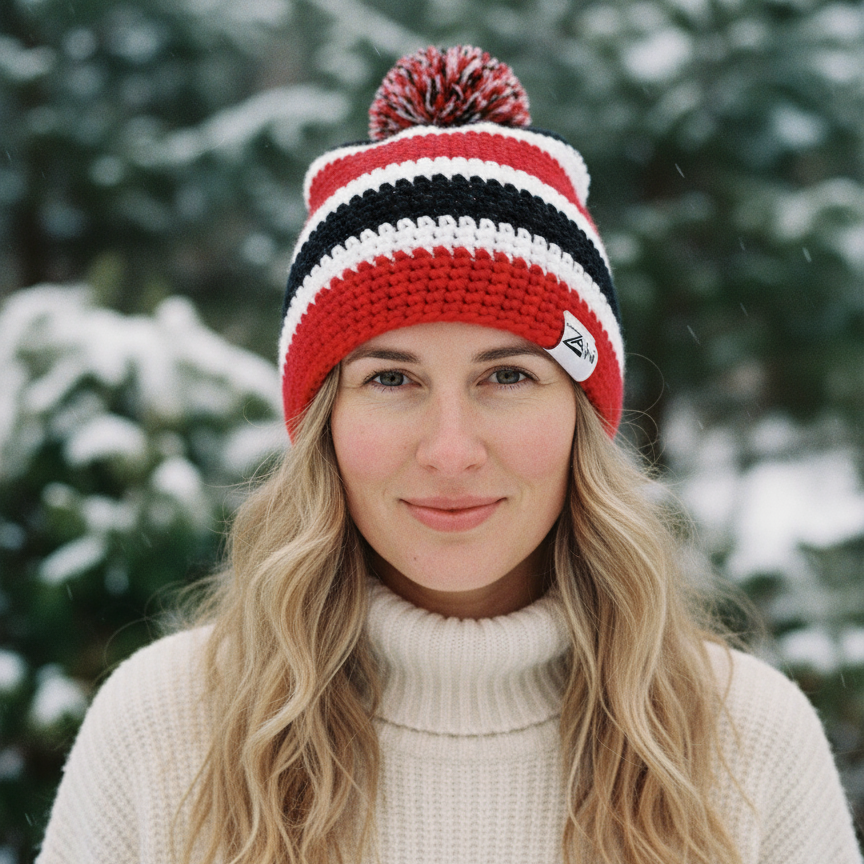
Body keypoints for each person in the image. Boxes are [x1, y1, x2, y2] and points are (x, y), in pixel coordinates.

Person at [36, 46, 862, 864]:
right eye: (391, 378)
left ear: (583, 414)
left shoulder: (746, 739)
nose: (451, 450)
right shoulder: (164, 725)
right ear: (324, 420)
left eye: (507, 374)